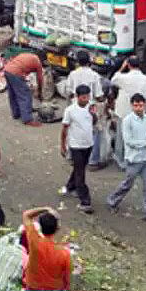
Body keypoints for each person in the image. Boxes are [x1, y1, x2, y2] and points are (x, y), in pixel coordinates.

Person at [107, 93, 146, 222]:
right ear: (132, 106)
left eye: (141, 105)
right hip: (133, 159)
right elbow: (129, 141)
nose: (138, 108)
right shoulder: (127, 121)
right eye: (136, 105)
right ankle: (112, 201)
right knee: (127, 184)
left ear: (144, 105)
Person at [111, 56, 146, 169]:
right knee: (138, 136)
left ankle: (121, 160)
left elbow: (113, 79)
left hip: (124, 112)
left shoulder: (124, 78)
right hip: (140, 112)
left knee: (122, 136)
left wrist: (121, 68)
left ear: (128, 65)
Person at [60, 84, 96, 213]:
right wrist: (63, 145)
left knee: (79, 167)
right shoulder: (70, 110)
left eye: (87, 97)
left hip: (88, 144)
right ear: (77, 97)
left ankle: (70, 186)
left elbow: (94, 122)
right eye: (83, 97)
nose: (86, 100)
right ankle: (85, 201)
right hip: (75, 145)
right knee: (81, 172)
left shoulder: (91, 107)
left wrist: (93, 114)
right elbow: (64, 128)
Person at [1, 52, 44, 126]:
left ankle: (16, 113)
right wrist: (40, 92)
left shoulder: (26, 55)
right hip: (15, 72)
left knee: (13, 94)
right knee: (25, 94)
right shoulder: (38, 63)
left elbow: (19, 64)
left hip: (7, 70)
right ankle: (28, 119)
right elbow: (39, 79)